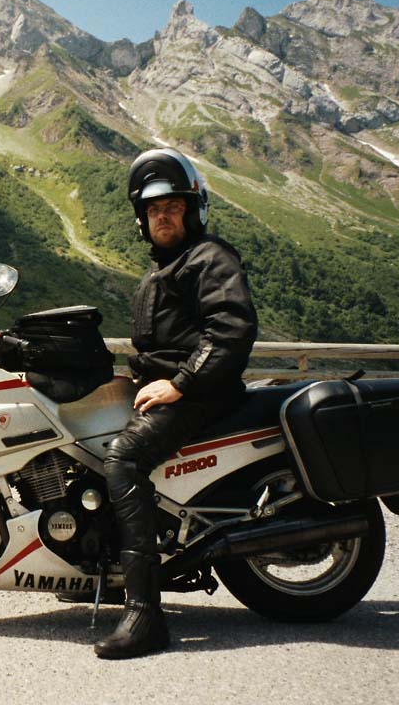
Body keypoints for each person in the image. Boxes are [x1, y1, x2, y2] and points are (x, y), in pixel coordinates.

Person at [94, 147, 258, 660]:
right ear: (143, 220)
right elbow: (163, 346)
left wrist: (181, 383)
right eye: (153, 210)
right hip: (180, 388)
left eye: (172, 207)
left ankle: (145, 615)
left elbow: (230, 331)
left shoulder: (211, 258)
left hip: (204, 394)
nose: (162, 217)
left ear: (192, 210)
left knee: (123, 457)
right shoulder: (165, 269)